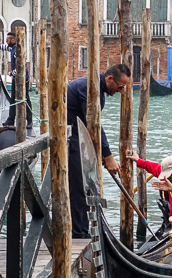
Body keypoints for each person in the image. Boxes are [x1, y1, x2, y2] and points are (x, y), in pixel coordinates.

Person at [67, 63, 129, 238]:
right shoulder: (88, 88)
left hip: (79, 140)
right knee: (78, 189)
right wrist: (108, 156)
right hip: (71, 141)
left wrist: (102, 152)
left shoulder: (95, 89)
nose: (121, 91)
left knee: (85, 188)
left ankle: (83, 230)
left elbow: (92, 125)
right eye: (120, 86)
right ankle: (79, 234)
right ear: (110, 79)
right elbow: (94, 123)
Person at [127, 151, 172, 216]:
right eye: (166, 175)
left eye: (170, 175)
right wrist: (138, 160)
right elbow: (152, 166)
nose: (168, 179)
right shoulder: (166, 177)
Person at [0, 32, 32, 127]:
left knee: (25, 99)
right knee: (13, 99)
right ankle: (10, 120)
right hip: (16, 78)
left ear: (13, 40)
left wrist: (11, 73)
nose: (6, 41)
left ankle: (29, 121)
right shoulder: (12, 48)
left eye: (8, 39)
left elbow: (21, 67)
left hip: (23, 79)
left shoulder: (17, 51)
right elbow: (5, 47)